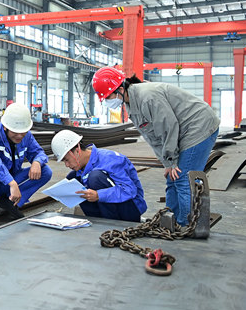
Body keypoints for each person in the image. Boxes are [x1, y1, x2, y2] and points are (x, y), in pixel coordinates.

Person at [93, 66, 220, 226]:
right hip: (182, 130)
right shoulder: (131, 104)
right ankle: (171, 221)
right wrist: (167, 163)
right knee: (172, 178)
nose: (108, 100)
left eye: (109, 96)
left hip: (198, 126)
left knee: (183, 179)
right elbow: (152, 136)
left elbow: (168, 127)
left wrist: (172, 161)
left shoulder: (147, 97)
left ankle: (185, 226)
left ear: (119, 88)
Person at [51, 129, 147, 222]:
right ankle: (97, 221)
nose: (67, 165)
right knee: (73, 180)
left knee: (95, 177)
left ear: (77, 150)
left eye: (67, 160)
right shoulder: (80, 169)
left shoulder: (110, 159)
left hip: (130, 210)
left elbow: (130, 190)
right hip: (108, 211)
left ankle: (113, 223)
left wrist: (98, 195)